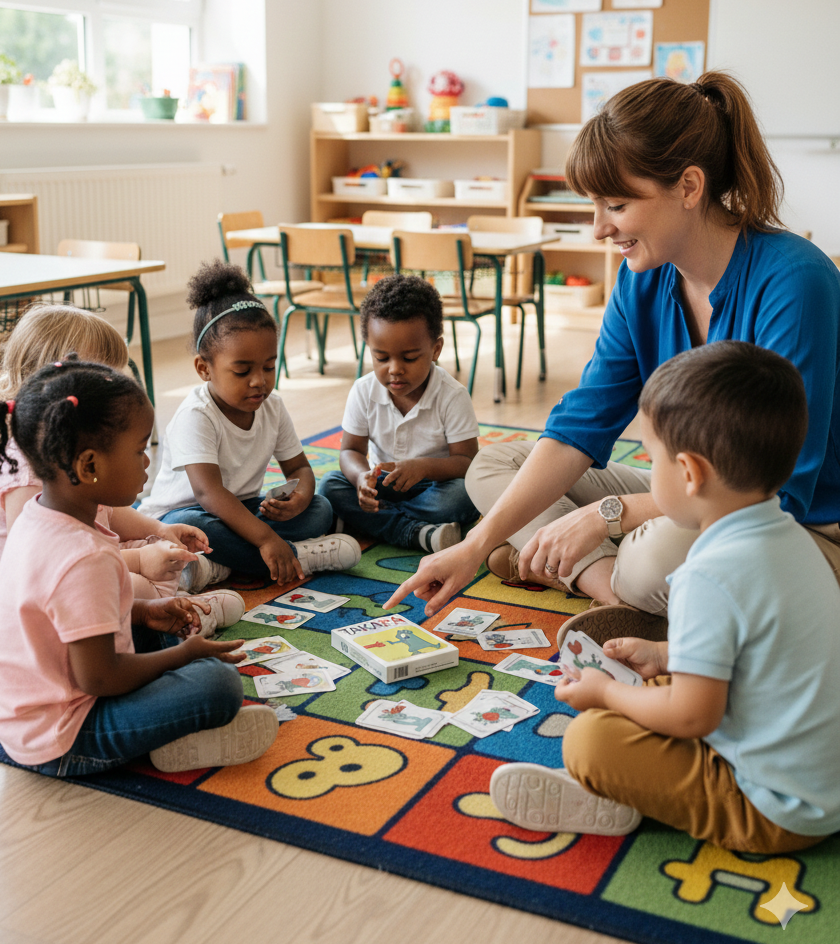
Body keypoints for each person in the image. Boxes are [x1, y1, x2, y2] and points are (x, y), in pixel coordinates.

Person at [385, 72, 840, 641]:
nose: (599, 228)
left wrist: (608, 515)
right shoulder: (642, 280)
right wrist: (475, 548)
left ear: (689, 186)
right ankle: (613, 592)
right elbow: (584, 422)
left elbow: (775, 493)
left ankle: (594, 573)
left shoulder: (796, 281)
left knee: (655, 556)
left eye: (617, 204)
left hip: (793, 523)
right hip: (685, 491)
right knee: (495, 466)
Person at [488, 342, 840, 853]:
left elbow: (693, 720)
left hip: (778, 810)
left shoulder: (708, 575)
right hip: (821, 770)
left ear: (690, 474)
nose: (648, 472)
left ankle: (618, 795)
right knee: (667, 679)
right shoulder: (790, 541)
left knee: (591, 742)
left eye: (651, 459)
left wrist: (606, 696)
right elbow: (770, 651)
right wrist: (665, 655)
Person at [0, 358, 278, 775]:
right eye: (139, 451)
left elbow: (62, 619)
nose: (147, 463)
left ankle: (173, 717)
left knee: (169, 641)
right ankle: (171, 739)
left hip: (33, 707)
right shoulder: (83, 557)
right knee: (217, 685)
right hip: (60, 737)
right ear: (89, 466)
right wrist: (181, 657)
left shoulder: (37, 515)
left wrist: (142, 612)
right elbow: (99, 679)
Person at [0, 303, 243, 637]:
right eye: (107, 382)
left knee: (162, 537)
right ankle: (183, 611)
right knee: (133, 581)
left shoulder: (77, 445)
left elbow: (109, 514)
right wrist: (141, 561)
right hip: (38, 612)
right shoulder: (28, 467)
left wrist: (158, 531)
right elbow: (42, 563)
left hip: (86, 558)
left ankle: (174, 593)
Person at [137, 262, 361, 583]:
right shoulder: (195, 415)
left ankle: (219, 566)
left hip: (242, 510)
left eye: (269, 367)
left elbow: (299, 470)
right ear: (204, 368)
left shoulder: (273, 406)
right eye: (242, 371)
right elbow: (209, 494)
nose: (259, 381)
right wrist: (267, 539)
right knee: (198, 525)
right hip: (183, 518)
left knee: (320, 508)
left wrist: (299, 498)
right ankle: (301, 557)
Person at [319, 275, 480, 551]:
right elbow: (350, 452)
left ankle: (368, 521)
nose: (394, 369)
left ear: (435, 350)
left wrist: (424, 467)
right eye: (381, 358)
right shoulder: (363, 391)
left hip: (433, 487)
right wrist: (360, 478)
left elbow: (466, 461)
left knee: (463, 497)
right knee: (330, 486)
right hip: (383, 484)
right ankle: (416, 532)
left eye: (409, 358)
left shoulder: (452, 395)